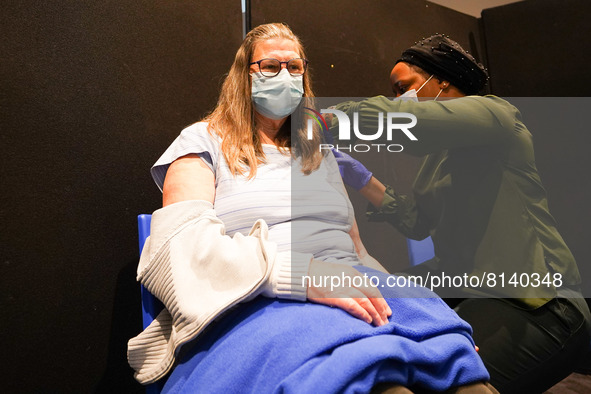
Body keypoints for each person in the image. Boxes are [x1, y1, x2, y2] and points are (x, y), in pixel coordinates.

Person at [127, 25, 494, 393]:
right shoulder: (203, 140)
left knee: (462, 372)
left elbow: (358, 253)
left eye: (295, 67)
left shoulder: (317, 152)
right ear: (243, 75)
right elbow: (181, 250)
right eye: (270, 67)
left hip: (348, 284)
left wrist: (419, 315)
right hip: (263, 297)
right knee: (373, 381)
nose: (285, 76)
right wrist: (302, 275)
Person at [329, 34, 591, 393]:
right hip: (473, 288)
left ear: (442, 80)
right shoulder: (436, 160)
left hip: (540, 306)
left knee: (439, 378)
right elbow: (417, 222)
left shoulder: (495, 115)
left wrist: (330, 119)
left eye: (403, 87)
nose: (398, 98)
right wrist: (359, 178)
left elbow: (408, 122)